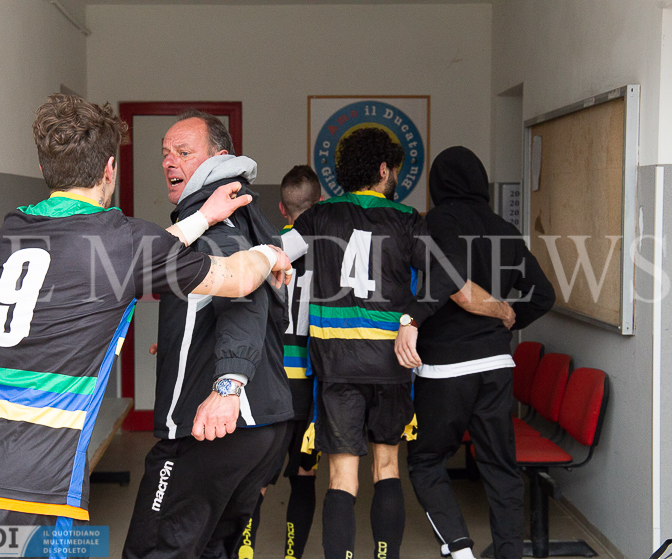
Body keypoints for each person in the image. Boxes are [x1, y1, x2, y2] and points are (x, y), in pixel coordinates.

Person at [0, 94, 292, 532]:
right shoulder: (126, 241)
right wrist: (270, 252)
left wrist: (202, 217)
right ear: (110, 168)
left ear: (43, 168)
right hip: (34, 485)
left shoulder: (15, 227)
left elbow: (126, 256)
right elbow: (237, 279)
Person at [281, 128, 513, 559]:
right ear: (384, 170)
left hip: (337, 367)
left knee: (341, 478)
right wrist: (412, 318)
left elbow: (273, 255)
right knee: (387, 468)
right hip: (390, 365)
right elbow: (447, 277)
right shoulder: (407, 219)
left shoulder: (318, 217)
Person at [122, 110, 294, 559]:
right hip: (258, 426)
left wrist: (228, 385)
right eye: (165, 153)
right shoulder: (244, 216)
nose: (169, 162)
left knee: (154, 549)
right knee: (213, 548)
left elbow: (245, 301)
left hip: (216, 426)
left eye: (184, 152)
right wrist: (184, 340)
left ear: (219, 158)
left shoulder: (218, 225)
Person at [406, 146, 555, 559]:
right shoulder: (505, 229)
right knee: (501, 469)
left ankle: (460, 549)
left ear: (437, 184)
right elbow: (543, 295)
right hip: (496, 364)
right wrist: (508, 319)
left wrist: (412, 320)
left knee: (425, 461)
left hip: (446, 368)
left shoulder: (437, 222)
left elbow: (448, 280)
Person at [236, 165, 324, 559]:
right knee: (304, 473)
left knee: (257, 476)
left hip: (267, 377)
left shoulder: (267, 250)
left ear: (282, 208)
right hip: (309, 381)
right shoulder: (332, 254)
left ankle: (245, 551)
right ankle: (292, 555)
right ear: (319, 204)